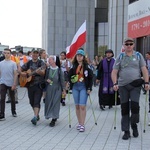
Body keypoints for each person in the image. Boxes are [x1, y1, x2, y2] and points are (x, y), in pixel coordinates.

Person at [111, 37, 149, 140]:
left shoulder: (138, 55)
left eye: (130, 44)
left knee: (135, 107)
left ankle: (134, 125)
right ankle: (126, 131)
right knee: (125, 108)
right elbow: (114, 71)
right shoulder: (120, 57)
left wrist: (146, 82)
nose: (128, 46)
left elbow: (144, 70)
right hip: (123, 86)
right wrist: (115, 83)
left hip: (135, 85)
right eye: (126, 44)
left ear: (133, 45)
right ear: (124, 45)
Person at [68, 48, 93, 132]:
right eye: (78, 56)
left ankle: (82, 124)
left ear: (83, 57)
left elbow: (90, 78)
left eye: (80, 56)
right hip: (75, 86)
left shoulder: (87, 66)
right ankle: (79, 123)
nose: (79, 57)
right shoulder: (73, 66)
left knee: (82, 106)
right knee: (77, 106)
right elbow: (69, 76)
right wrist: (69, 82)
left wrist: (89, 88)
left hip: (83, 86)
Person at [20, 49, 46, 125]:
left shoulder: (41, 63)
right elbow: (20, 70)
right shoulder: (28, 63)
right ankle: (37, 114)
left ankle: (35, 117)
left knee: (37, 101)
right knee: (31, 102)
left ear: (38, 55)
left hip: (39, 85)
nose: (35, 55)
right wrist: (23, 74)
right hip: (30, 85)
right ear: (31, 54)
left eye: (36, 54)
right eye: (33, 54)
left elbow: (43, 73)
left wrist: (39, 72)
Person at [45, 55, 66, 127]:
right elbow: (44, 78)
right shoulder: (48, 69)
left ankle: (54, 118)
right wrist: (46, 80)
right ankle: (50, 115)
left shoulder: (59, 70)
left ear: (54, 61)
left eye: (50, 59)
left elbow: (62, 81)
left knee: (55, 103)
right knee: (49, 102)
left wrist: (64, 90)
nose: (48, 61)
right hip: (49, 89)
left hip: (57, 89)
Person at [0, 48, 18, 120]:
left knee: (12, 98)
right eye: (5, 53)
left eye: (8, 53)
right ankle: (2, 114)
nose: (6, 54)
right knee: (2, 98)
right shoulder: (1, 63)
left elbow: (15, 74)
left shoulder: (13, 63)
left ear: (10, 54)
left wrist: (14, 84)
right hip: (2, 82)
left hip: (11, 83)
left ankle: (13, 111)